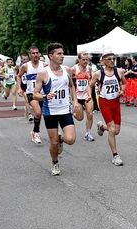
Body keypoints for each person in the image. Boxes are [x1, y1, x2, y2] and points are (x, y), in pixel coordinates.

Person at [33, 42, 80, 176]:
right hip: (50, 112)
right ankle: (55, 162)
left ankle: (61, 139)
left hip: (65, 109)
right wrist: (45, 96)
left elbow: (71, 85)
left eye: (62, 53)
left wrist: (75, 101)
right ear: (51, 56)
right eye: (59, 54)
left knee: (70, 139)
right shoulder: (43, 73)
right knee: (53, 143)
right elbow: (35, 94)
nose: (62, 56)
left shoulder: (67, 70)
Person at [88, 51, 126, 166]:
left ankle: (102, 127)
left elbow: (124, 83)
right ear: (103, 61)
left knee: (117, 131)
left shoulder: (119, 71)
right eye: (109, 59)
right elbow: (90, 86)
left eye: (114, 58)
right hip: (104, 102)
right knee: (112, 129)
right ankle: (115, 155)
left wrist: (122, 91)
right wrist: (90, 96)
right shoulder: (98, 74)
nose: (112, 61)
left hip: (115, 102)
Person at [17, 46, 48, 144]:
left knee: (42, 114)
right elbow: (18, 76)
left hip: (42, 94)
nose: (35, 55)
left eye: (37, 53)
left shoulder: (44, 65)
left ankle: (34, 130)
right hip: (31, 93)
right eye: (33, 53)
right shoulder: (26, 66)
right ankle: (37, 133)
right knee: (38, 112)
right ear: (30, 55)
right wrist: (19, 88)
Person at [70, 52, 95, 141]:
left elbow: (91, 81)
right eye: (83, 59)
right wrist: (71, 96)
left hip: (87, 95)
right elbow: (70, 83)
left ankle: (88, 133)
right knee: (80, 118)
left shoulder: (89, 68)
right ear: (79, 60)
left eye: (86, 59)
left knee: (90, 113)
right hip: (77, 96)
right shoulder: (73, 69)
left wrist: (90, 93)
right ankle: (71, 111)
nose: (85, 61)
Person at [18, 54, 33, 120]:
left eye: (26, 59)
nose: (25, 60)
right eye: (24, 59)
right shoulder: (18, 67)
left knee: (30, 101)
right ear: (21, 60)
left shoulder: (31, 66)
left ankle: (27, 108)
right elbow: (17, 76)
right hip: (23, 86)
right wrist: (19, 88)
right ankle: (30, 114)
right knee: (27, 99)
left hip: (30, 85)